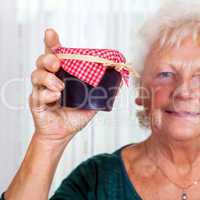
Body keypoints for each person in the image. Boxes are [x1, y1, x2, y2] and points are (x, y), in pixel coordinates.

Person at [1, 0, 200, 199]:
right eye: (165, 74)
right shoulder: (95, 180)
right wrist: (48, 141)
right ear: (140, 91)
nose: (183, 91)